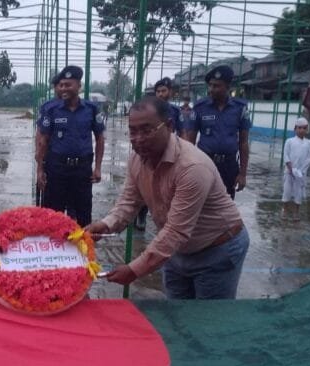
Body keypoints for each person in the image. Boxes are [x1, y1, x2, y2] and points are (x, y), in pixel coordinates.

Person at [85, 97, 249, 299]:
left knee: (208, 321)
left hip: (217, 251)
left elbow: (176, 231)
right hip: (176, 251)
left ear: (170, 126)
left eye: (147, 130)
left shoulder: (192, 167)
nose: (138, 138)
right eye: (133, 131)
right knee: (175, 316)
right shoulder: (137, 159)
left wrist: (135, 269)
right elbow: (129, 202)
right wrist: (106, 225)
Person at [36, 65, 106, 226]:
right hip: (57, 168)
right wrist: (40, 169)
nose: (63, 89)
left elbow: (100, 139)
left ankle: (82, 249)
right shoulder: (52, 110)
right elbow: (43, 140)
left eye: (68, 85)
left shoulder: (91, 109)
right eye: (61, 85)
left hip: (82, 170)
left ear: (78, 86)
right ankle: (52, 250)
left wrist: (98, 168)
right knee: (52, 216)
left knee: (83, 214)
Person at [185, 65, 252, 199]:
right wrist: (188, 169)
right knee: (201, 202)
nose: (211, 90)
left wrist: (243, 174)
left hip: (229, 166)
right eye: (210, 85)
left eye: (216, 86)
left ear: (227, 87)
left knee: (226, 205)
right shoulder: (200, 107)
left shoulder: (240, 108)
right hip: (204, 163)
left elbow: (243, 143)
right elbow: (189, 142)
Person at [135, 77, 184, 230]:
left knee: (167, 189)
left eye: (164, 91)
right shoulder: (148, 109)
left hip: (169, 154)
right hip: (151, 154)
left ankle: (167, 221)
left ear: (170, 92)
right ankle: (141, 215)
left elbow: (182, 133)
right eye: (158, 91)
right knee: (146, 187)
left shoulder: (175, 111)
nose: (161, 94)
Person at [34, 73, 63, 206]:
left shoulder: (80, 107)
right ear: (55, 87)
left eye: (65, 85)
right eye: (59, 86)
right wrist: (38, 154)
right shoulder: (48, 107)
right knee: (50, 195)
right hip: (51, 156)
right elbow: (40, 133)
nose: (62, 89)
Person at [281, 118, 310, 221]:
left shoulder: (309, 143)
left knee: (298, 193)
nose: (302, 130)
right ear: (295, 129)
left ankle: (296, 212)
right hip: (289, 172)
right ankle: (285, 210)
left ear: (307, 129)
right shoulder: (289, 141)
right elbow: (286, 155)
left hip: (301, 173)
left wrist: (301, 170)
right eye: (299, 128)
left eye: (304, 128)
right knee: (287, 191)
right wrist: (290, 168)